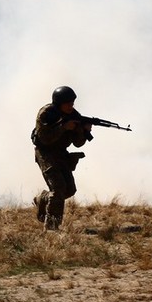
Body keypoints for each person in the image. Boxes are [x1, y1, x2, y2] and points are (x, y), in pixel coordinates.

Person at [31, 86, 91, 230]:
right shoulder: (46, 114)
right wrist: (63, 127)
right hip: (45, 153)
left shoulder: (74, 115)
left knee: (69, 190)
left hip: (60, 153)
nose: (71, 106)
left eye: (73, 103)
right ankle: (52, 227)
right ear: (59, 103)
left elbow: (78, 143)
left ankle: (43, 199)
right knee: (58, 188)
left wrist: (83, 131)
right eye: (68, 103)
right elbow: (45, 139)